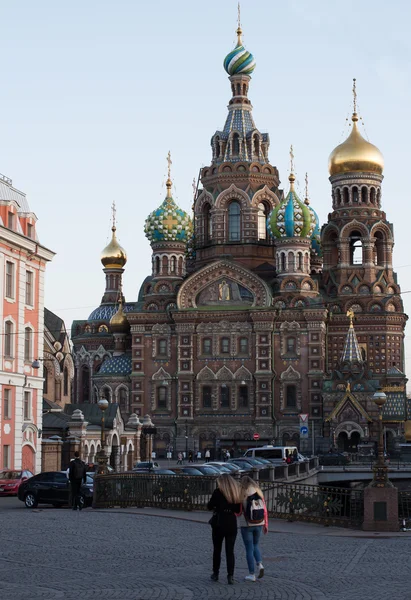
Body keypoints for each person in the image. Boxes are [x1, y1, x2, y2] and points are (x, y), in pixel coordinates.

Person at [207, 474, 241, 585]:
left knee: (217, 549)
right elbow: (237, 509)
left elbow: (209, 506)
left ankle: (215, 573)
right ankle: (230, 575)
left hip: (219, 523)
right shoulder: (235, 493)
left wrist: (218, 506)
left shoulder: (218, 492)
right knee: (230, 551)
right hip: (231, 522)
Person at [239, 476, 268, 582]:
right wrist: (265, 524)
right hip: (259, 522)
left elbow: (239, 509)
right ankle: (260, 564)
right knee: (255, 545)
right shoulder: (258, 491)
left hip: (247, 524)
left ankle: (252, 574)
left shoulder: (243, 492)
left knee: (249, 548)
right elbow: (264, 509)